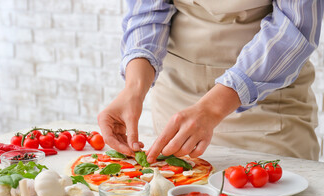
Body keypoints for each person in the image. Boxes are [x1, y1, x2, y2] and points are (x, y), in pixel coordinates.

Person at [98, 0, 324, 162]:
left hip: (267, 108)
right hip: (176, 96)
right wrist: (134, 89)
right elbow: (145, 10)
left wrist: (212, 107)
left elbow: (295, 28)